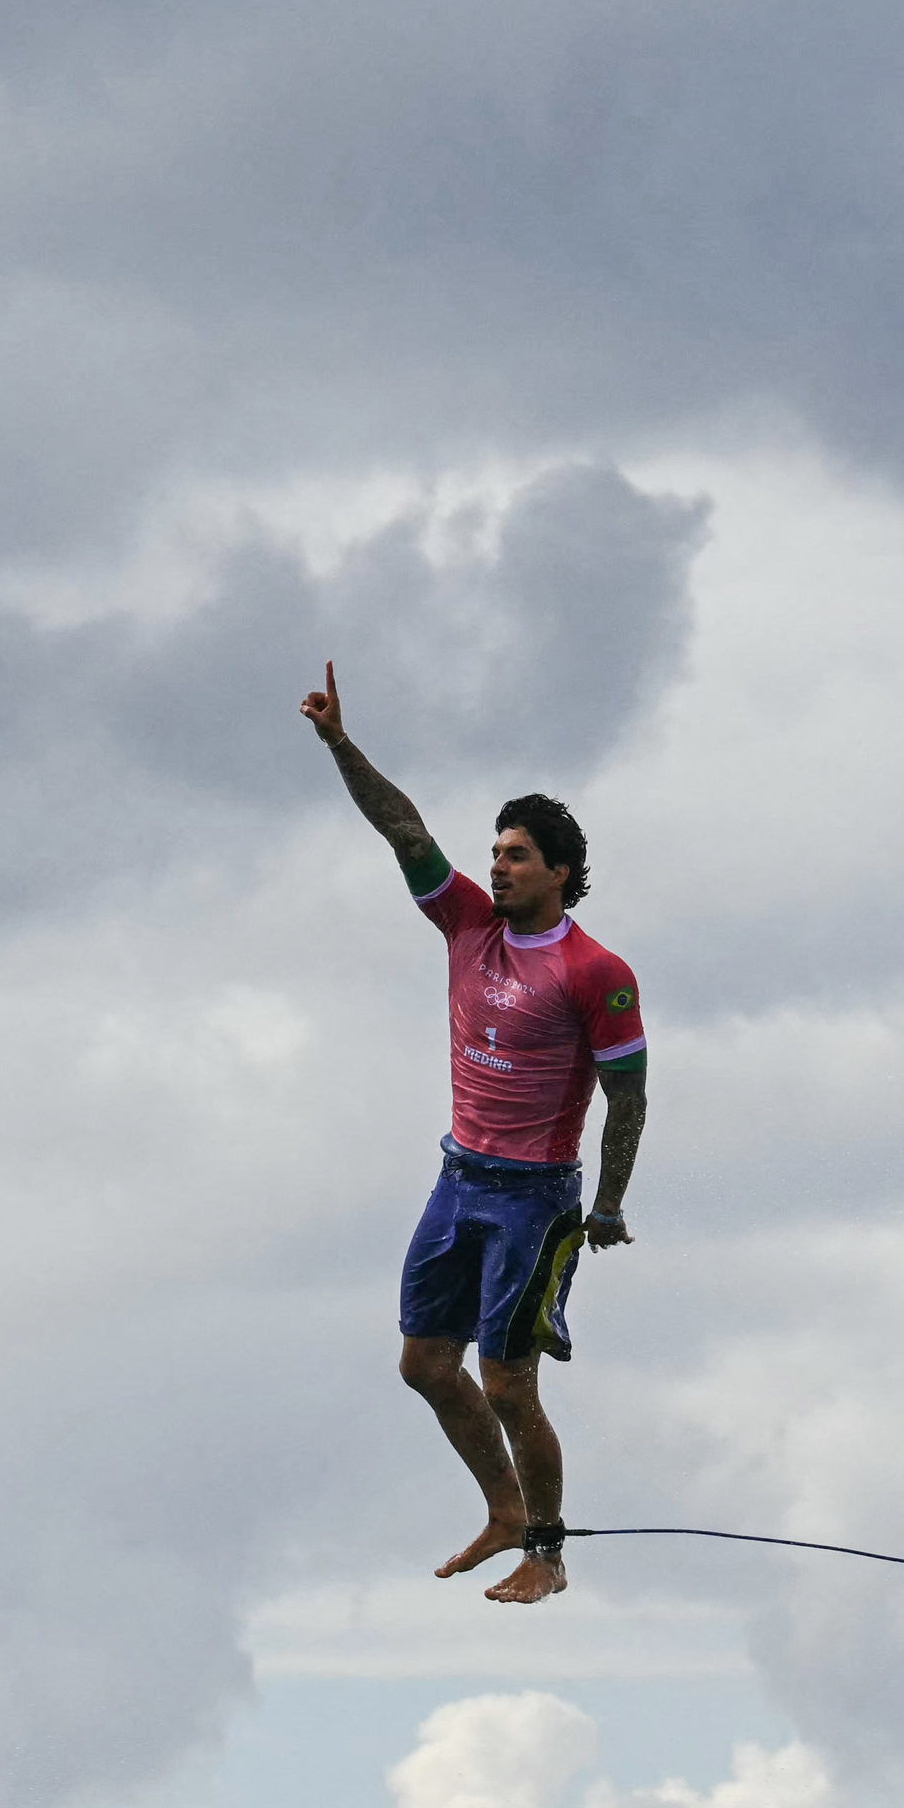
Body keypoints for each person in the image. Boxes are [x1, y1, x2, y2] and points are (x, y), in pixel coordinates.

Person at [299, 662, 646, 1606]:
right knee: (423, 1364)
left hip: (535, 1200)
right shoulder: (466, 924)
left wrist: (608, 1203)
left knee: (508, 1382)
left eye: (517, 855)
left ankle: (547, 1548)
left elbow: (629, 1096)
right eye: (494, 851)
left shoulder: (595, 971)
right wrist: (339, 743)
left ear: (561, 872)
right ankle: (501, 1509)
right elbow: (403, 828)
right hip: (459, 1177)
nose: (497, 866)